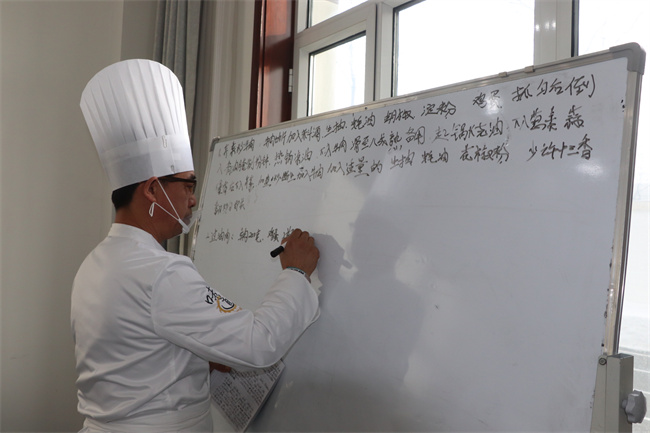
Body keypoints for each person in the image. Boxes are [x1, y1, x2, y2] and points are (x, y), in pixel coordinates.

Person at [71, 59, 320, 432]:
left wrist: (194, 358)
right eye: (188, 185)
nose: (192, 200)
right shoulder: (162, 273)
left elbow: (135, 356)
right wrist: (296, 272)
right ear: (152, 189)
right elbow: (258, 344)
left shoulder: (93, 265)